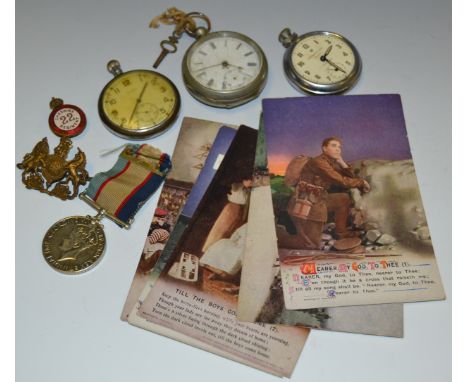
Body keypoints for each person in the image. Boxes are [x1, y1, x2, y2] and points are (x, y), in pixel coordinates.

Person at [282, 136, 370, 249]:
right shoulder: (318, 162)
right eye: (334, 146)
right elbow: (341, 181)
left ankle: (341, 233)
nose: (338, 149)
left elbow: (350, 177)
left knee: (343, 198)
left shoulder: (330, 162)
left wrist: (341, 162)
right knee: (310, 245)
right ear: (324, 148)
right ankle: (278, 240)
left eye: (339, 147)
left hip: (320, 200)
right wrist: (361, 182)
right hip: (307, 205)